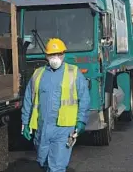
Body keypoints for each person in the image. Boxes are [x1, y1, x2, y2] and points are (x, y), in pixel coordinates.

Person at [21, 38, 90, 172]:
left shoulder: (73, 73)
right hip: (42, 129)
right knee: (44, 163)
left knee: (56, 167)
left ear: (64, 54)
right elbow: (29, 99)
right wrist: (25, 123)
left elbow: (84, 99)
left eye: (58, 54)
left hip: (63, 129)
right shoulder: (38, 74)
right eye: (52, 54)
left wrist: (81, 121)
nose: (55, 58)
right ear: (46, 56)